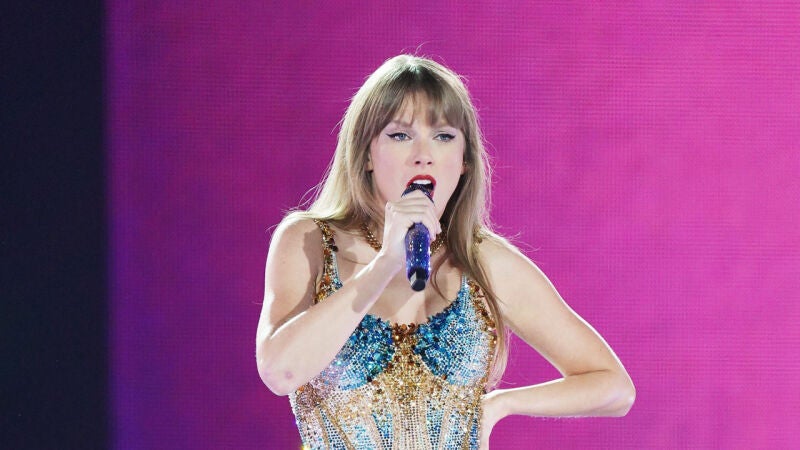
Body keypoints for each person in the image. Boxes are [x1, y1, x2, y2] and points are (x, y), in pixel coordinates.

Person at [256, 54, 635, 450]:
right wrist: (386, 263)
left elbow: (614, 387)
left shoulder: (483, 261)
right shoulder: (310, 241)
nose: (424, 154)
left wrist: (500, 405)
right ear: (366, 154)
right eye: (400, 135)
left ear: (465, 161)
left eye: (443, 136)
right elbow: (281, 372)